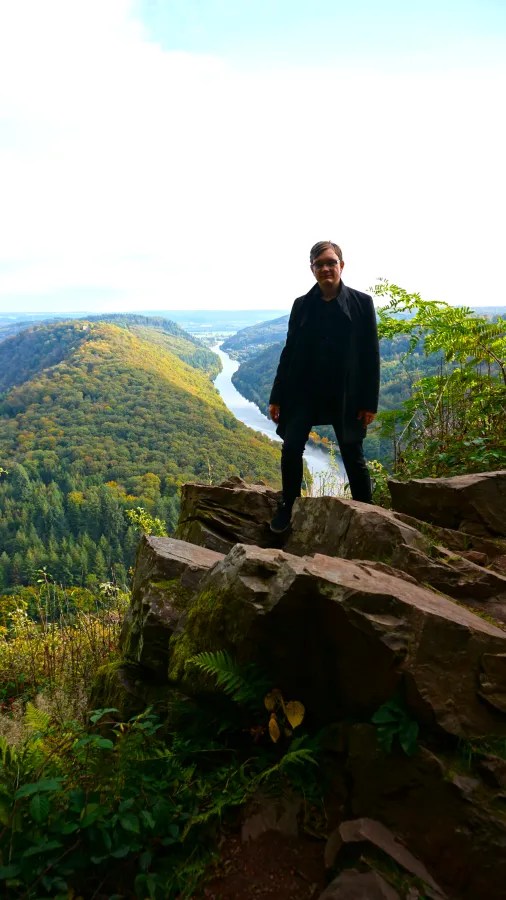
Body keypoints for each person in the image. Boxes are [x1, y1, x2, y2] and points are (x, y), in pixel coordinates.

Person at [268, 240, 380, 534]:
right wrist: (277, 396)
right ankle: (288, 507)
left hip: (347, 393)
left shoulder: (362, 303)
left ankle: (366, 514)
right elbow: (289, 351)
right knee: (291, 448)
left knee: (352, 453)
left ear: (342, 265)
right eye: (320, 264)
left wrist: (370, 402)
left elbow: (370, 355)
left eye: (331, 262)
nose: (326, 268)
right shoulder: (302, 305)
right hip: (304, 391)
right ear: (312, 269)